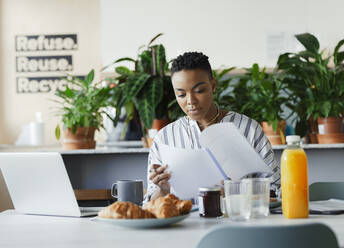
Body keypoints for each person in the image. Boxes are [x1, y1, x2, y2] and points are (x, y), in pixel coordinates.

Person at [144, 52, 280, 202]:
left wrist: (238, 191)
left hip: (238, 222)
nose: (191, 101)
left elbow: (275, 190)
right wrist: (162, 190)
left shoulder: (248, 129)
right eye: (181, 95)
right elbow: (150, 203)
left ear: (213, 86)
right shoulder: (165, 138)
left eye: (199, 91)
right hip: (186, 225)